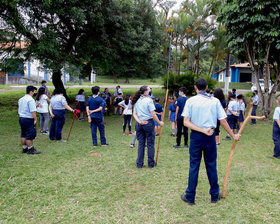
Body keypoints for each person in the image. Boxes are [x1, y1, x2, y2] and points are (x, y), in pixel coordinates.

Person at [180, 78, 241, 205]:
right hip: (209, 136)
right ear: (206, 87)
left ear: (195, 87)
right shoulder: (214, 101)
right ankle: (214, 195)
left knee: (194, 166)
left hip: (197, 136)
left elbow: (186, 122)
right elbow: (223, 121)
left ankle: (190, 197)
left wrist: (201, 130)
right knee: (211, 165)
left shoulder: (191, 101)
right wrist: (233, 135)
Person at [132, 85, 164, 168]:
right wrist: (159, 122)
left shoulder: (138, 100)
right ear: (146, 91)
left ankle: (139, 164)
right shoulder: (149, 100)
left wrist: (139, 121)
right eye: (149, 89)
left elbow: (134, 114)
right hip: (148, 123)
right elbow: (153, 114)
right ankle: (150, 163)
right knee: (150, 144)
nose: (150, 90)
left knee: (141, 144)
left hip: (139, 124)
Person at [18, 85, 40, 154]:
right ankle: (30, 149)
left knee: (23, 134)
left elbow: (19, 108)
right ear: (31, 92)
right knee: (29, 134)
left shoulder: (21, 99)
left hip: (21, 118)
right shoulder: (31, 100)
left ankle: (24, 148)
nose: (35, 93)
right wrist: (35, 119)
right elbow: (32, 111)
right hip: (28, 119)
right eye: (34, 92)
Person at [271, 95, 280, 159]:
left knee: (276, 139)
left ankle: (276, 154)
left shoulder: (277, 109)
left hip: (277, 125)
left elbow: (277, 119)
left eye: (277, 100)